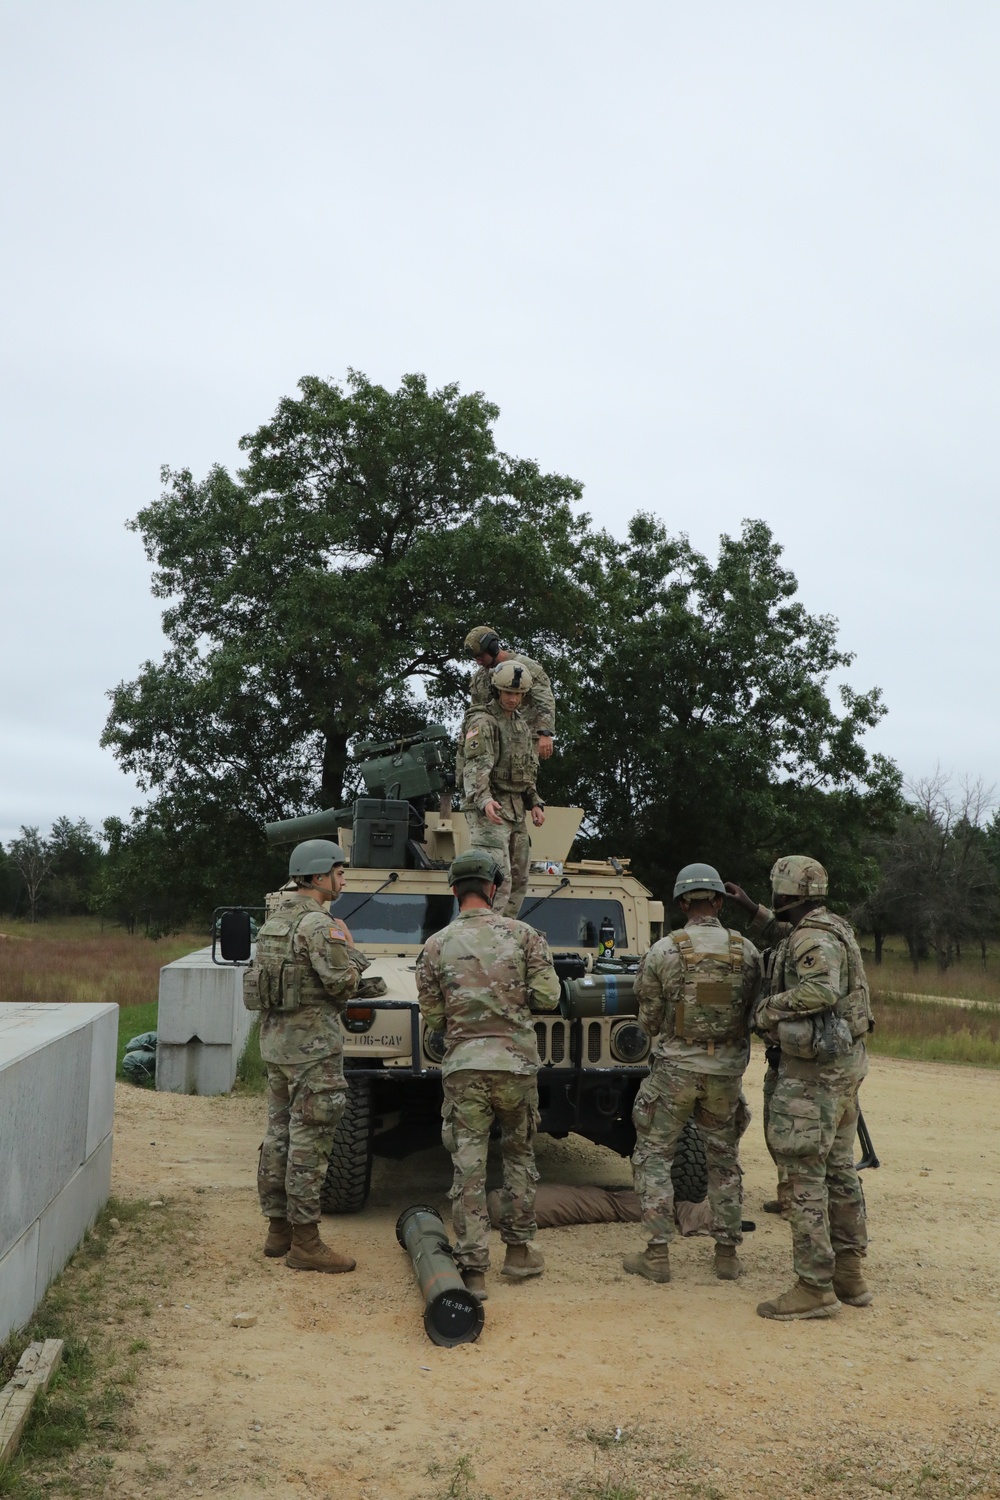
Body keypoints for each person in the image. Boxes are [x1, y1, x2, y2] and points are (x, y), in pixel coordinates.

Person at [727, 857, 874, 1321]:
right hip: (844, 1068)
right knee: (838, 1169)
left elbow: (821, 991)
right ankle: (849, 1275)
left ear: (784, 890)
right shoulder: (829, 926)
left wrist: (768, 1010)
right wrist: (754, 912)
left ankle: (814, 1285)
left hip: (814, 1077)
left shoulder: (811, 936)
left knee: (803, 1174)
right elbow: (791, 944)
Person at [415, 849, 561, 1300]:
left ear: (455, 890)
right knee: (518, 1157)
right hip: (515, 1064)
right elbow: (548, 997)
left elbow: (434, 1018)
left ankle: (474, 1271)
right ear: (494, 888)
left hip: (464, 1067)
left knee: (469, 1167)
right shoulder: (525, 936)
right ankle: (517, 1254)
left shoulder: (435, 945)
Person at [623, 864, 762, 1285]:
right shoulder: (748, 951)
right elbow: (753, 1010)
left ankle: (658, 1254)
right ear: (719, 901)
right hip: (725, 1076)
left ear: (683, 903)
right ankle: (726, 1256)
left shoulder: (664, 951)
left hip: (674, 1075)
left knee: (653, 1156)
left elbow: (647, 1019)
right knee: (724, 1161)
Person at [252, 838, 370, 1273]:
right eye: (338, 872)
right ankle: (306, 1242)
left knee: (278, 1134)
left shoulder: (273, 923)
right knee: (311, 1140)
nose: (342, 878)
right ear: (319, 876)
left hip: (277, 1045)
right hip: (313, 1050)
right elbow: (341, 983)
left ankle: (277, 1231)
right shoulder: (321, 925)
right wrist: (354, 954)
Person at [461, 660, 546, 918]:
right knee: (499, 878)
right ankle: (488, 931)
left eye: (518, 694)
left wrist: (534, 801)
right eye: (509, 692)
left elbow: (525, 771)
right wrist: (484, 800)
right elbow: (475, 768)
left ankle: (505, 931)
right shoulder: (483, 722)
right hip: (488, 808)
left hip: (515, 808)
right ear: (498, 690)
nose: (513, 699)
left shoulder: (520, 725)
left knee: (520, 877)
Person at [462, 625, 556, 760]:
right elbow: (475, 709)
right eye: (475, 658)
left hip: (522, 742)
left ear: (493, 649)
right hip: (491, 742)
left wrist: (545, 733)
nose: (478, 662)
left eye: (481, 656)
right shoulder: (480, 677)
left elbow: (545, 700)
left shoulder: (526, 667)